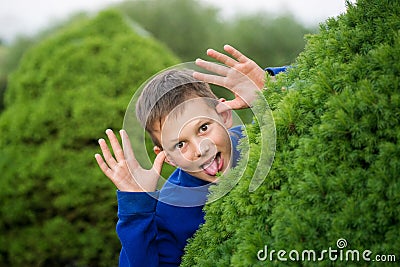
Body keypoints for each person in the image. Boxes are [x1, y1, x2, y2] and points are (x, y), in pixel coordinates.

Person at [95, 44, 287, 266]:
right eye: (180, 144)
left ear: (224, 115)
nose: (199, 149)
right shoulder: (171, 209)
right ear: (166, 156)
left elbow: (317, 105)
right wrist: (137, 208)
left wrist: (275, 86)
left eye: (204, 128)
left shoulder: (259, 139)